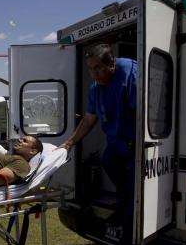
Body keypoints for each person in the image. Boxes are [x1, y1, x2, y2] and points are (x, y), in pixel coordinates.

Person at [56, 44, 137, 234]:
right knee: (108, 161)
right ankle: (126, 203)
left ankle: (128, 231)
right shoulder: (96, 89)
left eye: (98, 67)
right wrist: (67, 144)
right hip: (117, 142)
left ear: (112, 63)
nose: (94, 73)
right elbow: (88, 120)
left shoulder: (129, 75)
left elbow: (143, 112)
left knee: (135, 185)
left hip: (136, 142)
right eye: (90, 69)